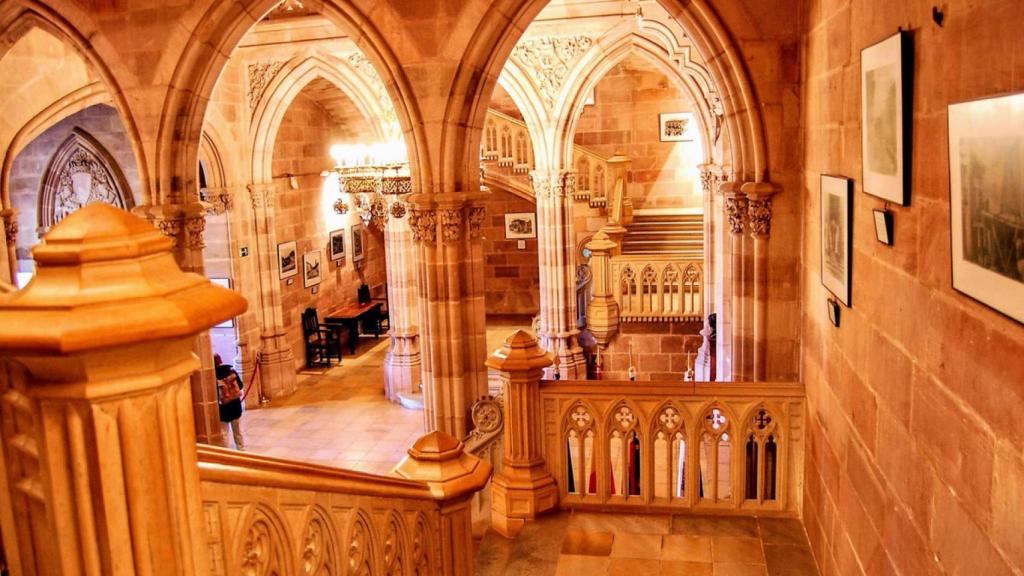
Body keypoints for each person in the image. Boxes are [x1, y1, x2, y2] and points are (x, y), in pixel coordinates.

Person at [214, 354, 245, 450]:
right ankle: (241, 449)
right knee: (238, 430)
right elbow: (240, 385)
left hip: (223, 409)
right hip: (235, 406)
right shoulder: (230, 370)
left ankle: (226, 451)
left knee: (224, 433)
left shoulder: (213, 375)